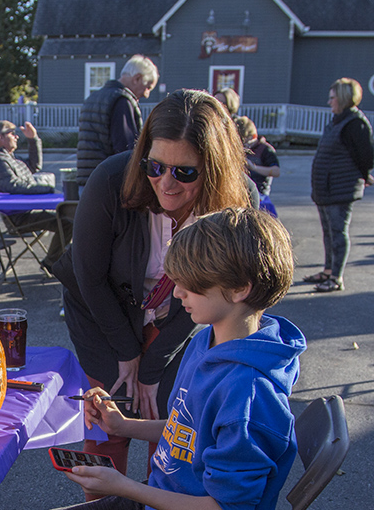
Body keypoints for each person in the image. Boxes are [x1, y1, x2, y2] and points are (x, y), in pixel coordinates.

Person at [25, 207, 305, 510]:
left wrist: (125, 487)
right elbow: (189, 431)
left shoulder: (250, 396)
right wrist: (122, 426)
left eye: (192, 283)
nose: (176, 292)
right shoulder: (206, 342)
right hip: (162, 502)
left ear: (240, 288)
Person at [52, 89, 252, 482]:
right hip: (102, 310)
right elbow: (89, 276)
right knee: (110, 414)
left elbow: (219, 298)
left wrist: (153, 365)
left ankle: (154, 505)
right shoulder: (111, 179)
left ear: (213, 169)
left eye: (186, 172)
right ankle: (106, 509)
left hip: (179, 317)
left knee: (170, 416)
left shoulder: (238, 204)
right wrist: (127, 352)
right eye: (155, 166)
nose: (167, 183)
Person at [304, 77, 374, 293]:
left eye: (332, 97)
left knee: (338, 232)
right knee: (328, 232)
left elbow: (366, 156)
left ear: (343, 98)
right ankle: (327, 270)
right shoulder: (337, 121)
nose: (329, 102)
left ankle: (336, 277)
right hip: (326, 188)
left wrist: (365, 176)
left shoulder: (355, 124)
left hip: (340, 188)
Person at [0, 120, 71, 272]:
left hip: (27, 212)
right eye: (12, 134)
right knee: (67, 222)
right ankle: (52, 262)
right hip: (18, 218)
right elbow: (15, 187)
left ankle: (54, 260)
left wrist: (33, 139)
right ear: (0, 138)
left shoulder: (11, 159)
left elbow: (34, 165)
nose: (16, 137)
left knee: (68, 220)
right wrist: (47, 189)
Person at [76, 55, 159, 187]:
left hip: (88, 180)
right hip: (109, 183)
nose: (146, 94)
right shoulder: (122, 101)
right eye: (148, 87)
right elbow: (126, 150)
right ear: (137, 78)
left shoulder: (93, 97)